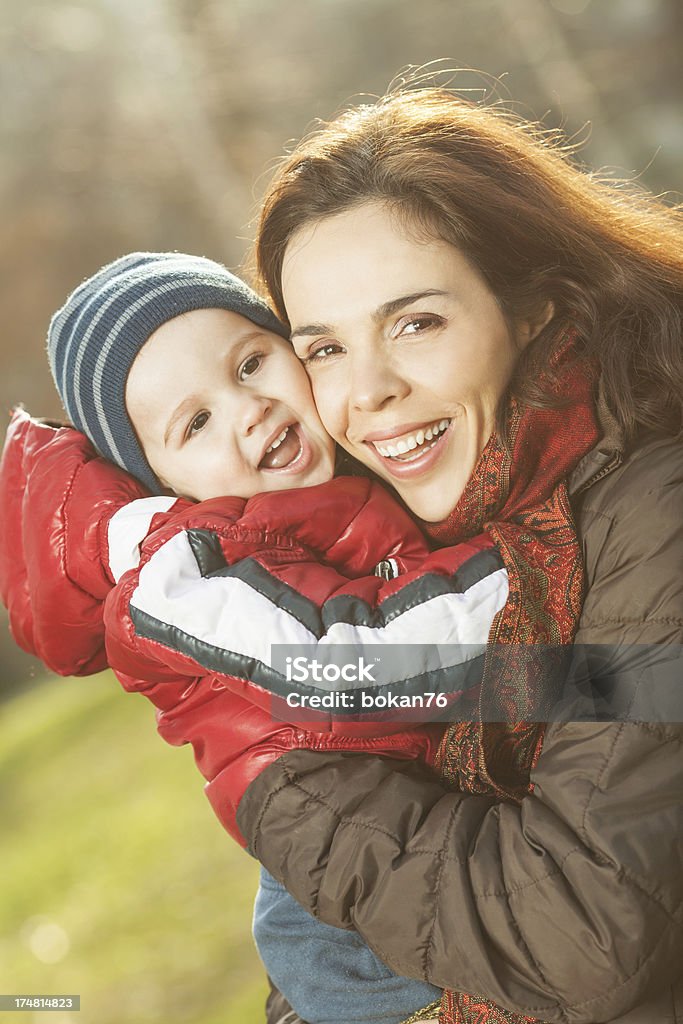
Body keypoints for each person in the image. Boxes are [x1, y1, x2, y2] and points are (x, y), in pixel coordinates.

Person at [218, 84, 683, 1024]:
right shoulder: (404, 546)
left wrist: (277, 773)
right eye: (323, 349)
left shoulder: (651, 506)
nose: (369, 393)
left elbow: (579, 936)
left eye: (415, 323)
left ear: (536, 310)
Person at [1, 250, 515, 1024]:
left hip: (405, 807)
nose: (248, 409)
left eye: (250, 364)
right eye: (197, 421)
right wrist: (521, 565)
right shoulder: (186, 570)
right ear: (162, 481)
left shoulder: (334, 482)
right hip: (340, 917)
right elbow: (353, 664)